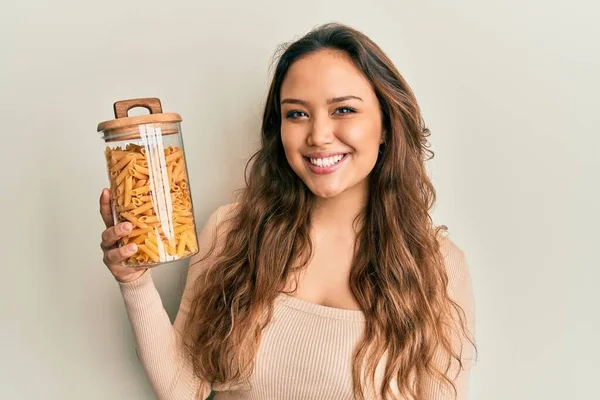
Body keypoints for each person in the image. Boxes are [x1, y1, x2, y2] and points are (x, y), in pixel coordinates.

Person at [99, 22, 477, 400]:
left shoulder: (437, 266)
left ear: (385, 126)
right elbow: (184, 390)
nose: (318, 135)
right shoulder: (232, 230)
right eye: (297, 114)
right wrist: (133, 282)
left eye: (343, 109)